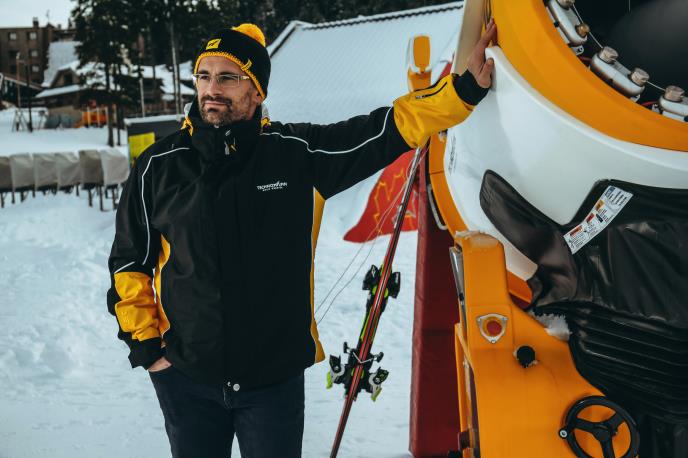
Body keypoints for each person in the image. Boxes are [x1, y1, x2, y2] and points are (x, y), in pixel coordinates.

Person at [107, 19, 497, 458]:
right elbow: (129, 261)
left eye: (228, 77)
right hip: (188, 381)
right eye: (204, 76)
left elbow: (386, 130)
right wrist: (148, 349)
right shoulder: (158, 166)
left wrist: (463, 91)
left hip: (273, 384)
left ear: (257, 91)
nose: (211, 89)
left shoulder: (295, 154)